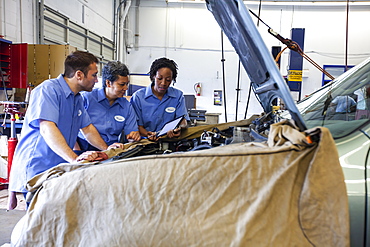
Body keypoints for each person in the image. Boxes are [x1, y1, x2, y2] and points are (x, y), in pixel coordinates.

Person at [8, 51, 123, 209]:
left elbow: (87, 128)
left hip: (58, 167)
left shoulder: (77, 98)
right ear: (79, 75)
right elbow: (47, 128)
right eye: (94, 75)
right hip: (38, 168)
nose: (97, 81)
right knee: (40, 224)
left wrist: (106, 149)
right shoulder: (48, 91)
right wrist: (75, 159)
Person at [76, 61, 141, 152]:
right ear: (108, 83)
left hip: (112, 149)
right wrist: (77, 152)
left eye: (127, 84)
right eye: (122, 84)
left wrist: (133, 137)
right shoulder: (86, 99)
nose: (126, 88)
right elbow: (70, 128)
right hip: (85, 148)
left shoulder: (126, 106)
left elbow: (131, 133)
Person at [130, 57, 189, 141]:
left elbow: (183, 120)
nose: (163, 83)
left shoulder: (178, 96)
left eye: (168, 80)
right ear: (153, 76)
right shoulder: (138, 97)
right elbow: (136, 125)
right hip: (146, 142)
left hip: (169, 140)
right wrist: (147, 134)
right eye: (159, 78)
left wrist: (179, 128)